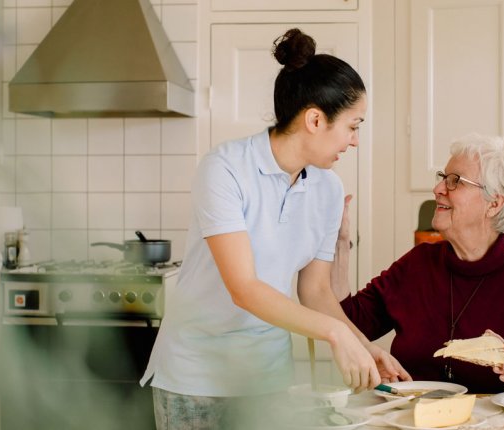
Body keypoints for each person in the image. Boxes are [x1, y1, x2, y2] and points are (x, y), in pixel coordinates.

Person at [141, 28, 409, 429]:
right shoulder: (225, 169)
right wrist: (337, 336)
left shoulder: (328, 188)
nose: (355, 141)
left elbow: (314, 290)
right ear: (316, 119)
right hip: (195, 374)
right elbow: (244, 288)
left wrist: (363, 346)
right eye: (354, 126)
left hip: (266, 378)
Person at [332, 133, 504, 394]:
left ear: (494, 203)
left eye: (455, 181)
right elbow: (347, 323)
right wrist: (339, 243)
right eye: (442, 177)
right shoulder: (418, 264)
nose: (438, 189)